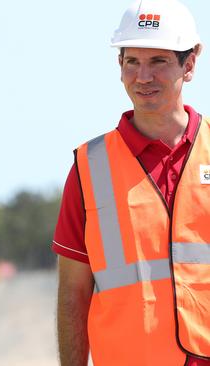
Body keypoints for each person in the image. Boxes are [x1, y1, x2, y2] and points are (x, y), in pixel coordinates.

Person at [53, 0, 210, 365]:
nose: (142, 77)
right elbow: (72, 295)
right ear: (119, 66)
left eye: (158, 61)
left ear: (190, 63)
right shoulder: (88, 168)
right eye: (132, 62)